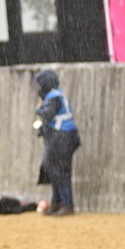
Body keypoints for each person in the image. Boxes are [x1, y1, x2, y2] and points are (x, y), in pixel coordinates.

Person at [33, 69, 80, 216]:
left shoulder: (54, 97)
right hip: (62, 137)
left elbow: (48, 112)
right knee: (54, 170)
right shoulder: (53, 96)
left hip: (63, 138)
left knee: (59, 171)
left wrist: (40, 112)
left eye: (40, 85)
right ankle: (57, 202)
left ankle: (66, 204)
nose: (39, 89)